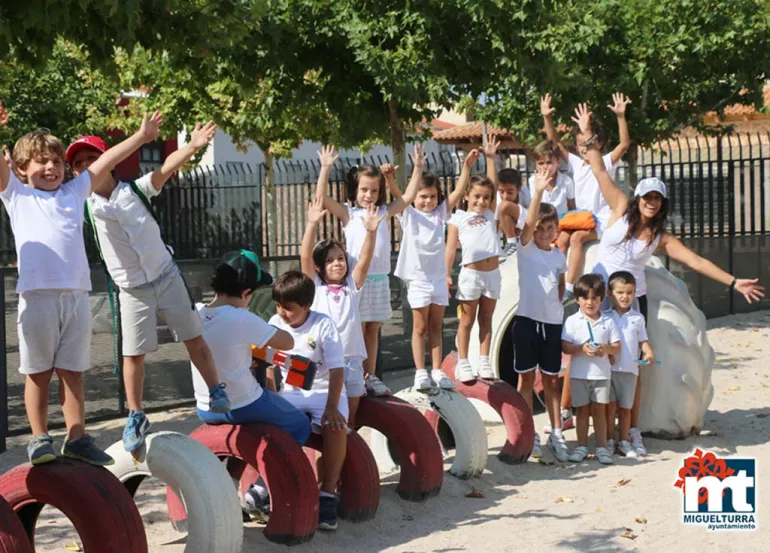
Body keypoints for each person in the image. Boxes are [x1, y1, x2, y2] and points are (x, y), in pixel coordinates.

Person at [573, 102, 764, 455]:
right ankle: (600, 434)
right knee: (600, 362)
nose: (651, 202)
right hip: (603, 296)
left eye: (657, 198)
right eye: (647, 196)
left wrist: (734, 282)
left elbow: (696, 261)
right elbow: (600, 170)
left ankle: (630, 432)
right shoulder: (618, 209)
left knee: (630, 367)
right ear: (639, 197)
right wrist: (586, 133)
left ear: (662, 203)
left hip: (632, 300)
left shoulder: (661, 238)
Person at [0, 102, 161, 465]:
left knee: (73, 373)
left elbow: (105, 161)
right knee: (38, 372)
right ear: (21, 169)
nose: (51, 167)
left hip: (75, 298)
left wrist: (142, 136)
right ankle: (40, 438)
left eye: (56, 161)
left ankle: (76, 437)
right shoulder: (17, 195)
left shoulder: (73, 193)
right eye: (41, 161)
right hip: (38, 299)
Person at [67, 121, 231, 454]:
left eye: (91, 159)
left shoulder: (136, 190)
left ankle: (216, 390)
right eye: (79, 164)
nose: (85, 167)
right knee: (133, 354)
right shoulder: (82, 206)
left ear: (109, 160)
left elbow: (166, 168)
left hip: (165, 275)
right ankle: (136, 414)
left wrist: (193, 146)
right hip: (130, 289)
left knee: (193, 337)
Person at [192, 250, 311, 519]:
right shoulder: (242, 318)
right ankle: (259, 493)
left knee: (244, 437)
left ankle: (227, 487)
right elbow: (287, 342)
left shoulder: (197, 313)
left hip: (205, 406)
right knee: (298, 425)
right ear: (246, 292)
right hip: (244, 404)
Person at [314, 149, 414, 396]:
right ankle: (353, 375)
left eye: (375, 190)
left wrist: (418, 167)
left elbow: (408, 197)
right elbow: (321, 198)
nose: (370, 195)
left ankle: (371, 376)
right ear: (355, 191)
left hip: (380, 280)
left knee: (373, 331)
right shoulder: (350, 214)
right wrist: (325, 167)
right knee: (355, 330)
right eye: (364, 190)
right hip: (356, 283)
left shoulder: (382, 212)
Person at [300, 180, 386, 425]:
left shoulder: (351, 286)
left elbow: (365, 259)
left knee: (351, 412)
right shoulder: (315, 287)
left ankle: (351, 443)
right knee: (325, 413)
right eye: (330, 261)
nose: (337, 263)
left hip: (352, 359)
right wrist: (311, 224)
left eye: (340, 259)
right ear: (319, 267)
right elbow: (305, 256)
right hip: (324, 361)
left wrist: (371, 232)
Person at [268, 271, 347, 531]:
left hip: (325, 391)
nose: (282, 312)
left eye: (288, 308)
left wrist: (333, 407)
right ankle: (269, 487)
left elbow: (337, 369)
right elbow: (268, 365)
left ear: (306, 306)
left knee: (335, 427)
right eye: (278, 305)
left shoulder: (323, 324)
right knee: (273, 427)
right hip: (292, 392)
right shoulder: (273, 323)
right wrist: (271, 397)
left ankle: (327, 492)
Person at [541, 92, 632, 304]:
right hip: (579, 218)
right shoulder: (576, 163)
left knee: (576, 238)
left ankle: (570, 287)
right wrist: (547, 117)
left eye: (587, 143)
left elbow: (624, 144)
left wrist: (620, 116)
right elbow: (554, 142)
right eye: (579, 144)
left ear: (598, 144)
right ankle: (556, 279)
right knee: (562, 239)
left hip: (599, 220)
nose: (583, 148)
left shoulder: (606, 161)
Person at [446, 138, 524, 382]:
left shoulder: (491, 215)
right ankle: (463, 361)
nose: (481, 202)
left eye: (486, 198)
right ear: (468, 195)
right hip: (471, 275)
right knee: (467, 320)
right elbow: (450, 249)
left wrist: (491, 158)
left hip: (493, 274)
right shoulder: (458, 218)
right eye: (477, 197)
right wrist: (446, 272)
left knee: (487, 319)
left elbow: (492, 184)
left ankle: (483, 359)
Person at [510, 168, 570, 462]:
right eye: (540, 228)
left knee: (552, 382)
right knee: (525, 380)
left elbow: (560, 283)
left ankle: (556, 433)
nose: (544, 232)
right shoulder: (525, 249)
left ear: (556, 229)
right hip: (527, 323)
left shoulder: (559, 255)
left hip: (552, 324)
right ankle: (529, 435)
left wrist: (557, 307)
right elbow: (530, 219)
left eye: (550, 228)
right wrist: (538, 191)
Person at [389, 146, 459, 390]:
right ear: (415, 198)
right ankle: (420, 372)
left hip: (438, 280)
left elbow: (458, 192)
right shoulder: (408, 214)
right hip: (418, 280)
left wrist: (468, 167)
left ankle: (437, 371)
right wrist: (392, 177)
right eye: (423, 196)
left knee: (436, 326)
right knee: (420, 327)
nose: (427, 200)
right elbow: (401, 194)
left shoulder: (441, 214)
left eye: (432, 196)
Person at [561, 274, 621, 464]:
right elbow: (565, 346)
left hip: (602, 376)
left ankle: (602, 447)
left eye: (594, 298)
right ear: (577, 299)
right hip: (579, 376)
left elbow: (616, 346)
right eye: (585, 297)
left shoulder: (608, 321)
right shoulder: (572, 321)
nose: (590, 302)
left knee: (600, 412)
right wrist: (581, 348)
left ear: (601, 299)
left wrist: (605, 349)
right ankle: (581, 446)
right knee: (582, 412)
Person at [604, 271, 654, 458]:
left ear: (635, 293)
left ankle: (624, 441)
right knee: (609, 408)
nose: (625, 297)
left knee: (626, 409)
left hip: (630, 370)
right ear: (610, 294)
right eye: (620, 292)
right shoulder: (605, 317)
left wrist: (648, 352)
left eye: (629, 292)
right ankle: (609, 441)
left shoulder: (638, 318)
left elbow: (643, 341)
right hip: (609, 371)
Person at [526, 140, 576, 219]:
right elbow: (534, 206)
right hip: (542, 223)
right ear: (536, 164)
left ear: (558, 162)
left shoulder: (567, 181)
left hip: (562, 223)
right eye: (541, 163)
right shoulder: (532, 181)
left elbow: (571, 207)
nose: (545, 167)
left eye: (549, 163)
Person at [495, 168, 528, 255]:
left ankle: (512, 243)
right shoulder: (496, 199)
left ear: (519, 189)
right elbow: (496, 225)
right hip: (510, 227)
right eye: (501, 192)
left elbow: (532, 215)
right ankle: (513, 243)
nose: (505, 196)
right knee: (503, 208)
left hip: (524, 225)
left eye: (510, 192)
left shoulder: (525, 193)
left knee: (505, 206)